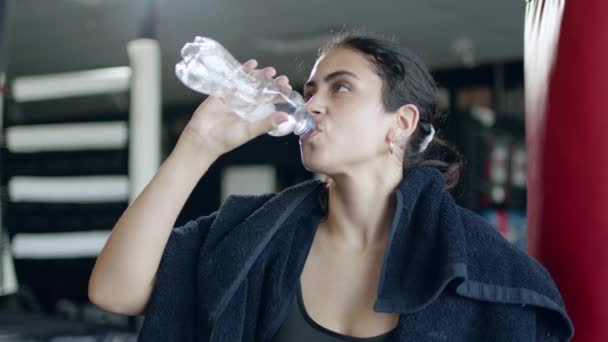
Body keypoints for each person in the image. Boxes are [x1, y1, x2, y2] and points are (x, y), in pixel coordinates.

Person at [88, 32, 573, 341]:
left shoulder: (479, 262)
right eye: (311, 91)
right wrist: (198, 144)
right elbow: (114, 291)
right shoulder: (253, 236)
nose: (313, 104)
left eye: (340, 87)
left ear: (401, 122)